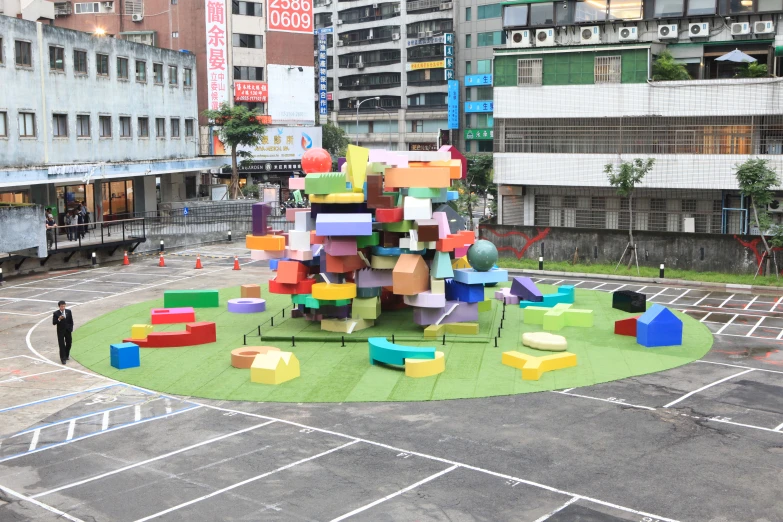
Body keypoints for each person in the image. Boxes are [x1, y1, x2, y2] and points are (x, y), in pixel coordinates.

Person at [52, 300, 74, 364]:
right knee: (62, 345)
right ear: (59, 306)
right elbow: (54, 322)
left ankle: (67, 355)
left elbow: (71, 321)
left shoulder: (68, 311)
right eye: (62, 306)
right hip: (60, 331)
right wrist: (59, 319)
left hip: (68, 330)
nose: (63, 307)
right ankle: (63, 358)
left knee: (69, 343)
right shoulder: (56, 313)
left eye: (64, 306)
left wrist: (71, 328)